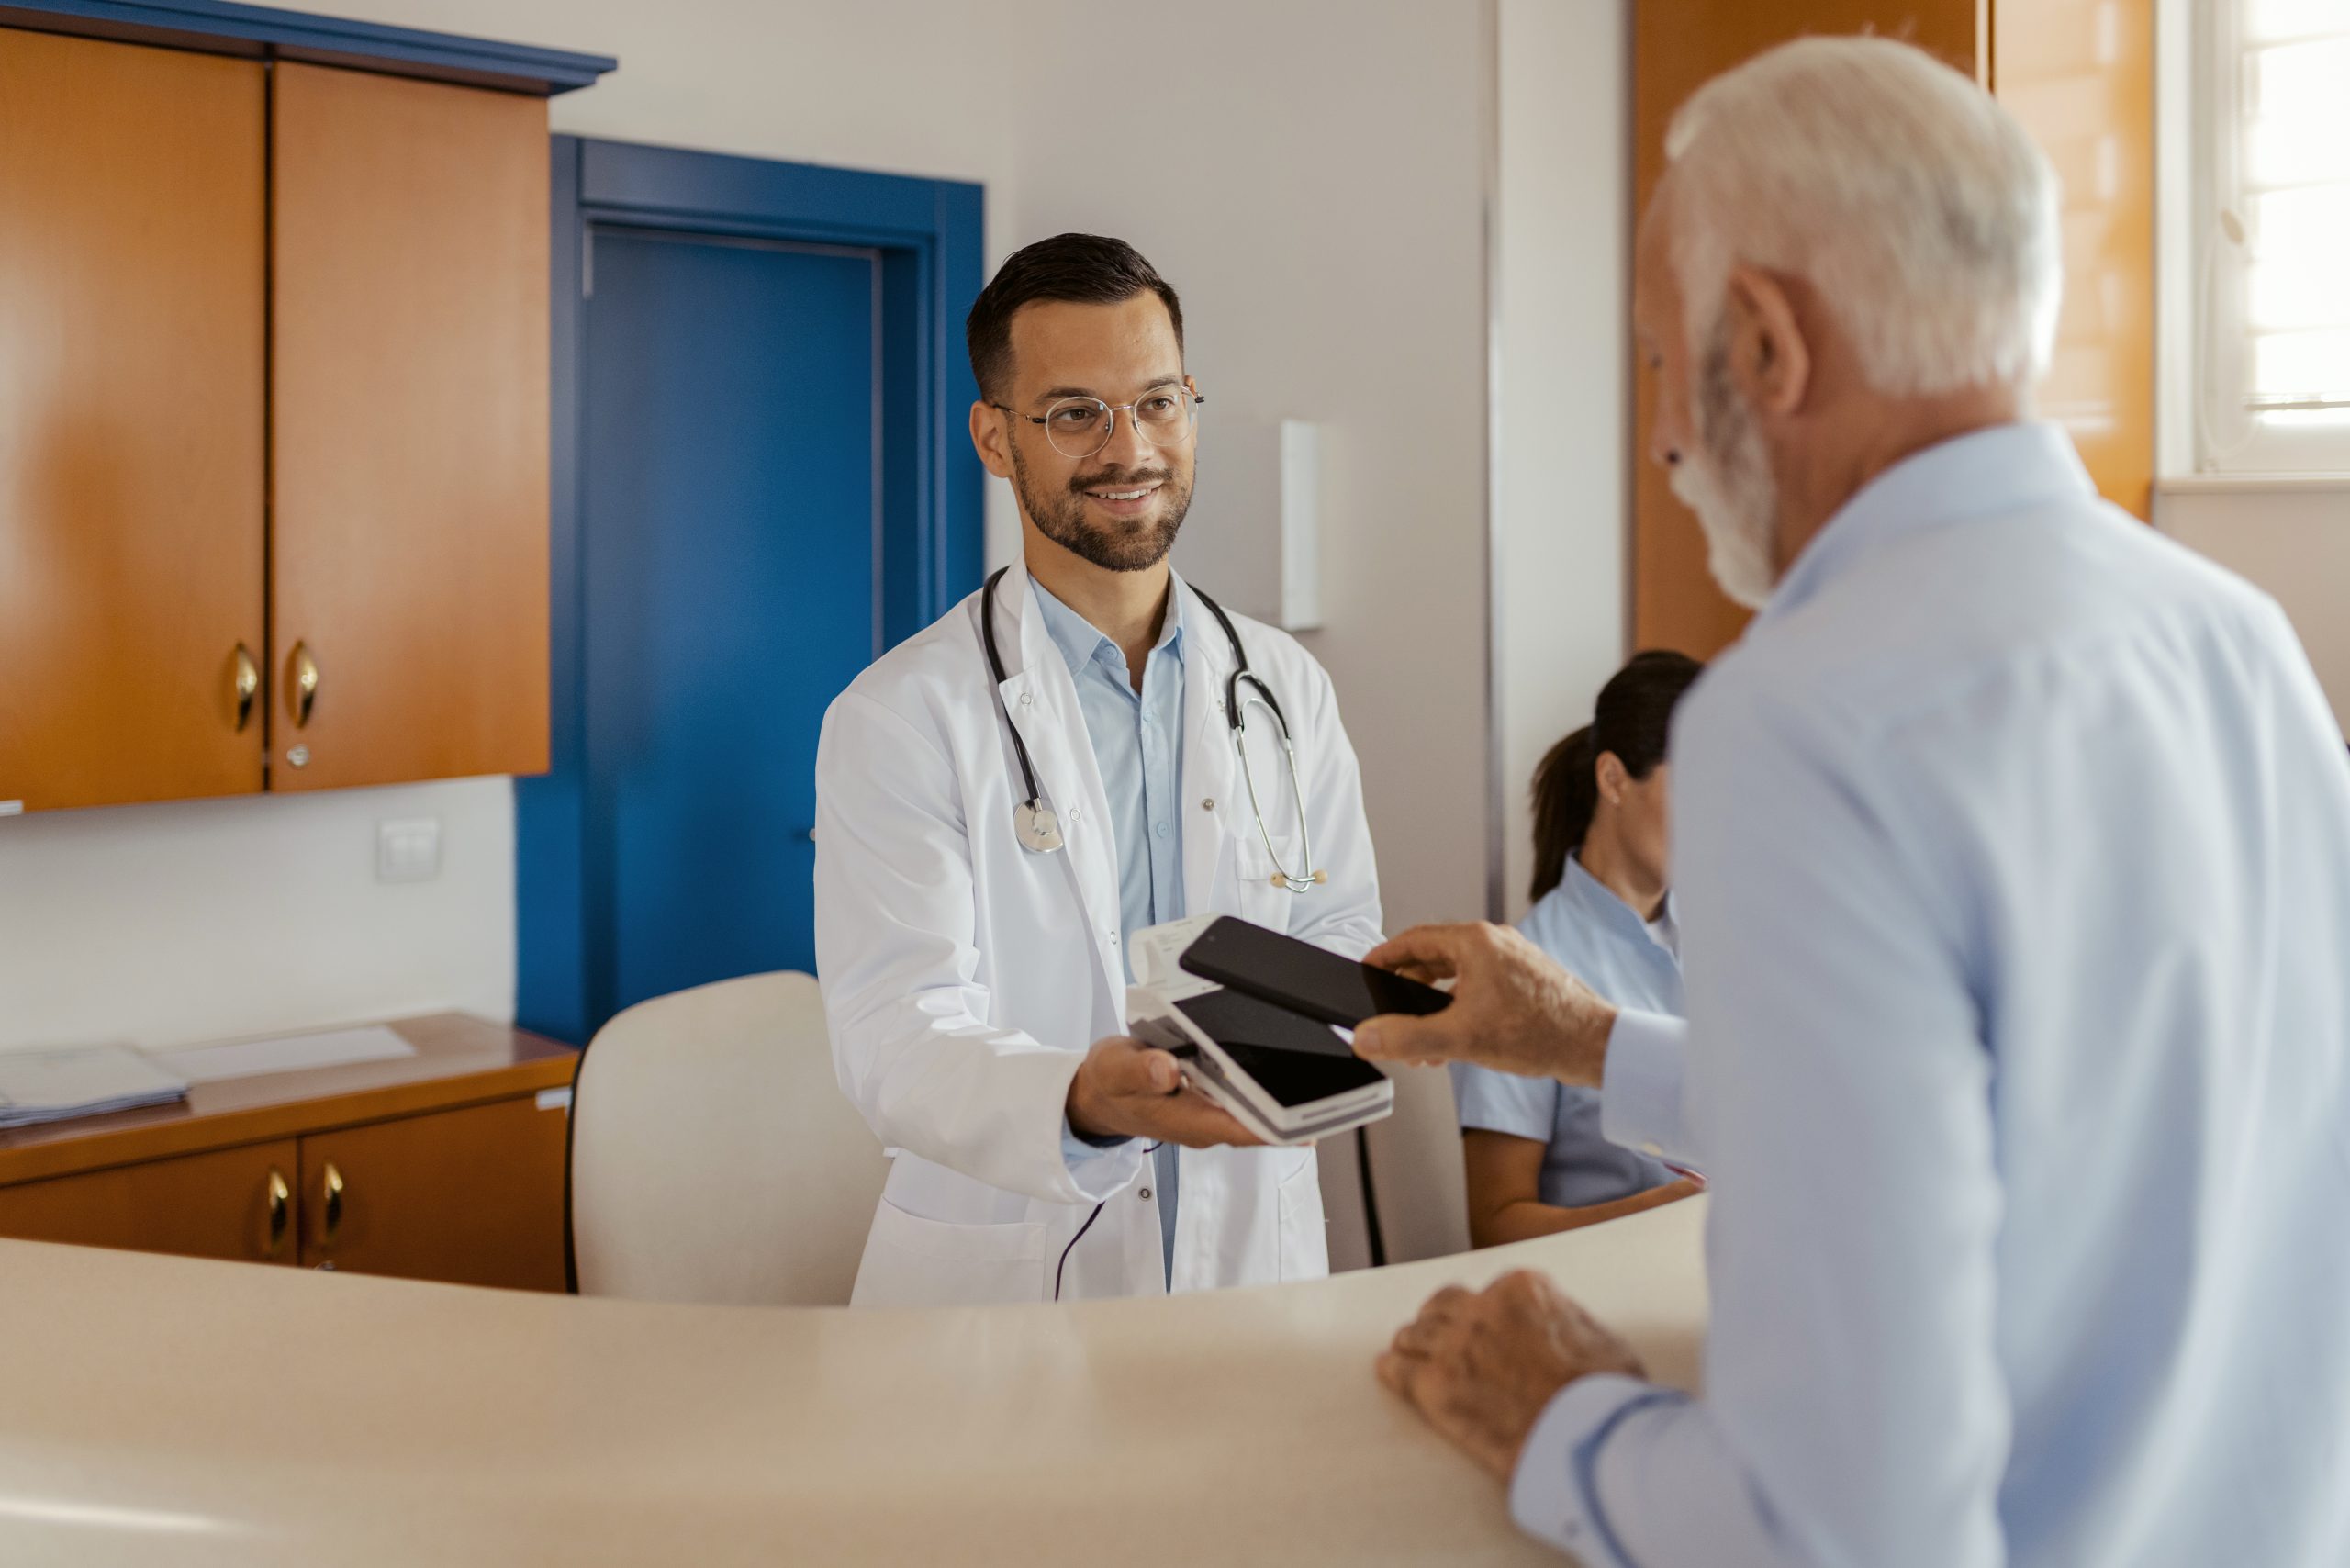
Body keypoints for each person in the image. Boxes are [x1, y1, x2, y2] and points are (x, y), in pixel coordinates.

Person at [1356, 36, 2350, 1568]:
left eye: (1656, 363)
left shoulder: (1803, 719)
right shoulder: (2236, 639)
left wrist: (1561, 1414)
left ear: (1763, 343)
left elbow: (1839, 1528)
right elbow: (2028, 1109)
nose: (1661, 440)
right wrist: (1578, 1039)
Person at [812, 234, 1383, 1306]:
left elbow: (1336, 931)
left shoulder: (1284, 688)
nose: (1131, 448)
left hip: (1249, 1262)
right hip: (1007, 1289)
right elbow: (896, 1033)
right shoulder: (900, 717)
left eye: (1158, 401)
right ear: (994, 438)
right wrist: (1081, 1098)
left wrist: (1361, 1015)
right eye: (1076, 413)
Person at [1453, 653, 1705, 1246]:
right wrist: (1663, 1213)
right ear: (1613, 779)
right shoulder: (1523, 969)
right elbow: (1495, 1225)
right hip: (1602, 1303)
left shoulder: (1730, 940)